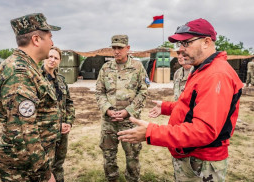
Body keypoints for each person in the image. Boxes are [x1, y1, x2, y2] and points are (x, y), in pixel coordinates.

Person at [118, 18, 244, 181]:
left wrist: (152, 132)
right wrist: (166, 107)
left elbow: (204, 130)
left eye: (186, 43)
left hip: (201, 161)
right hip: (193, 155)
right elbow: (194, 106)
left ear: (206, 42)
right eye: (180, 45)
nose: (181, 50)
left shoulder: (215, 75)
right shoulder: (204, 69)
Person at [0, 13, 61, 182]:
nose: (52, 43)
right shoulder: (19, 73)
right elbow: (24, 133)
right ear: (36, 39)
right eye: (50, 37)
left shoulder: (27, 67)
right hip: (25, 171)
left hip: (30, 165)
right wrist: (45, 174)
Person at [95, 35, 150, 182]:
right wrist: (107, 109)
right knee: (108, 156)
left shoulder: (137, 67)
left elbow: (143, 92)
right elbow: (99, 92)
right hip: (109, 121)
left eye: (120, 47)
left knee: (132, 155)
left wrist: (128, 111)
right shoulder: (106, 68)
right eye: (114, 47)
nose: (116, 51)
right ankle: (111, 179)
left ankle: (132, 179)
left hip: (130, 121)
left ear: (128, 48)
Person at [41, 47, 75, 182]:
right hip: (45, 133)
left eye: (56, 58)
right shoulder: (37, 78)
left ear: (60, 61)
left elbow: (69, 103)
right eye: (50, 56)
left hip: (63, 131)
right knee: (44, 167)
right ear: (44, 57)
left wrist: (69, 122)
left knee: (58, 164)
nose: (52, 60)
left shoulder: (61, 80)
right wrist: (56, 125)